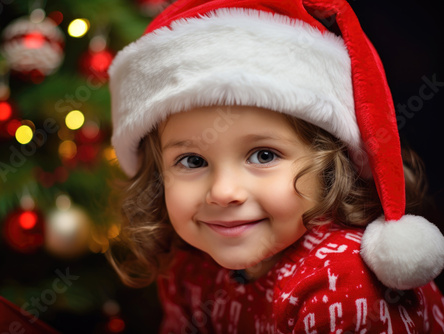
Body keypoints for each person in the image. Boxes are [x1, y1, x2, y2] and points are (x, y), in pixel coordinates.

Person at [108, 0, 444, 332]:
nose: (224, 192)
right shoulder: (189, 266)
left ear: (329, 165)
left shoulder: (342, 286)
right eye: (192, 161)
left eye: (263, 155)